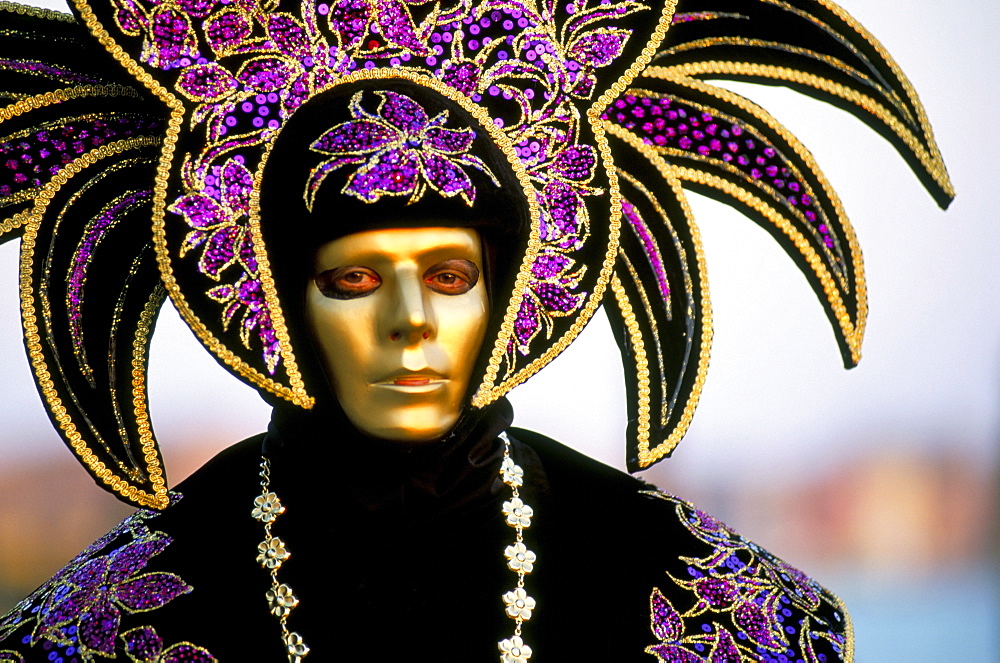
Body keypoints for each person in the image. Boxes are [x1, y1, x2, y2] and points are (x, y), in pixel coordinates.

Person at [0, 0, 952, 661]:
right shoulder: (104, 623)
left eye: (449, 277)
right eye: (357, 279)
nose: (410, 323)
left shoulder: (704, 602)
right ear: (282, 301)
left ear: (508, 292)